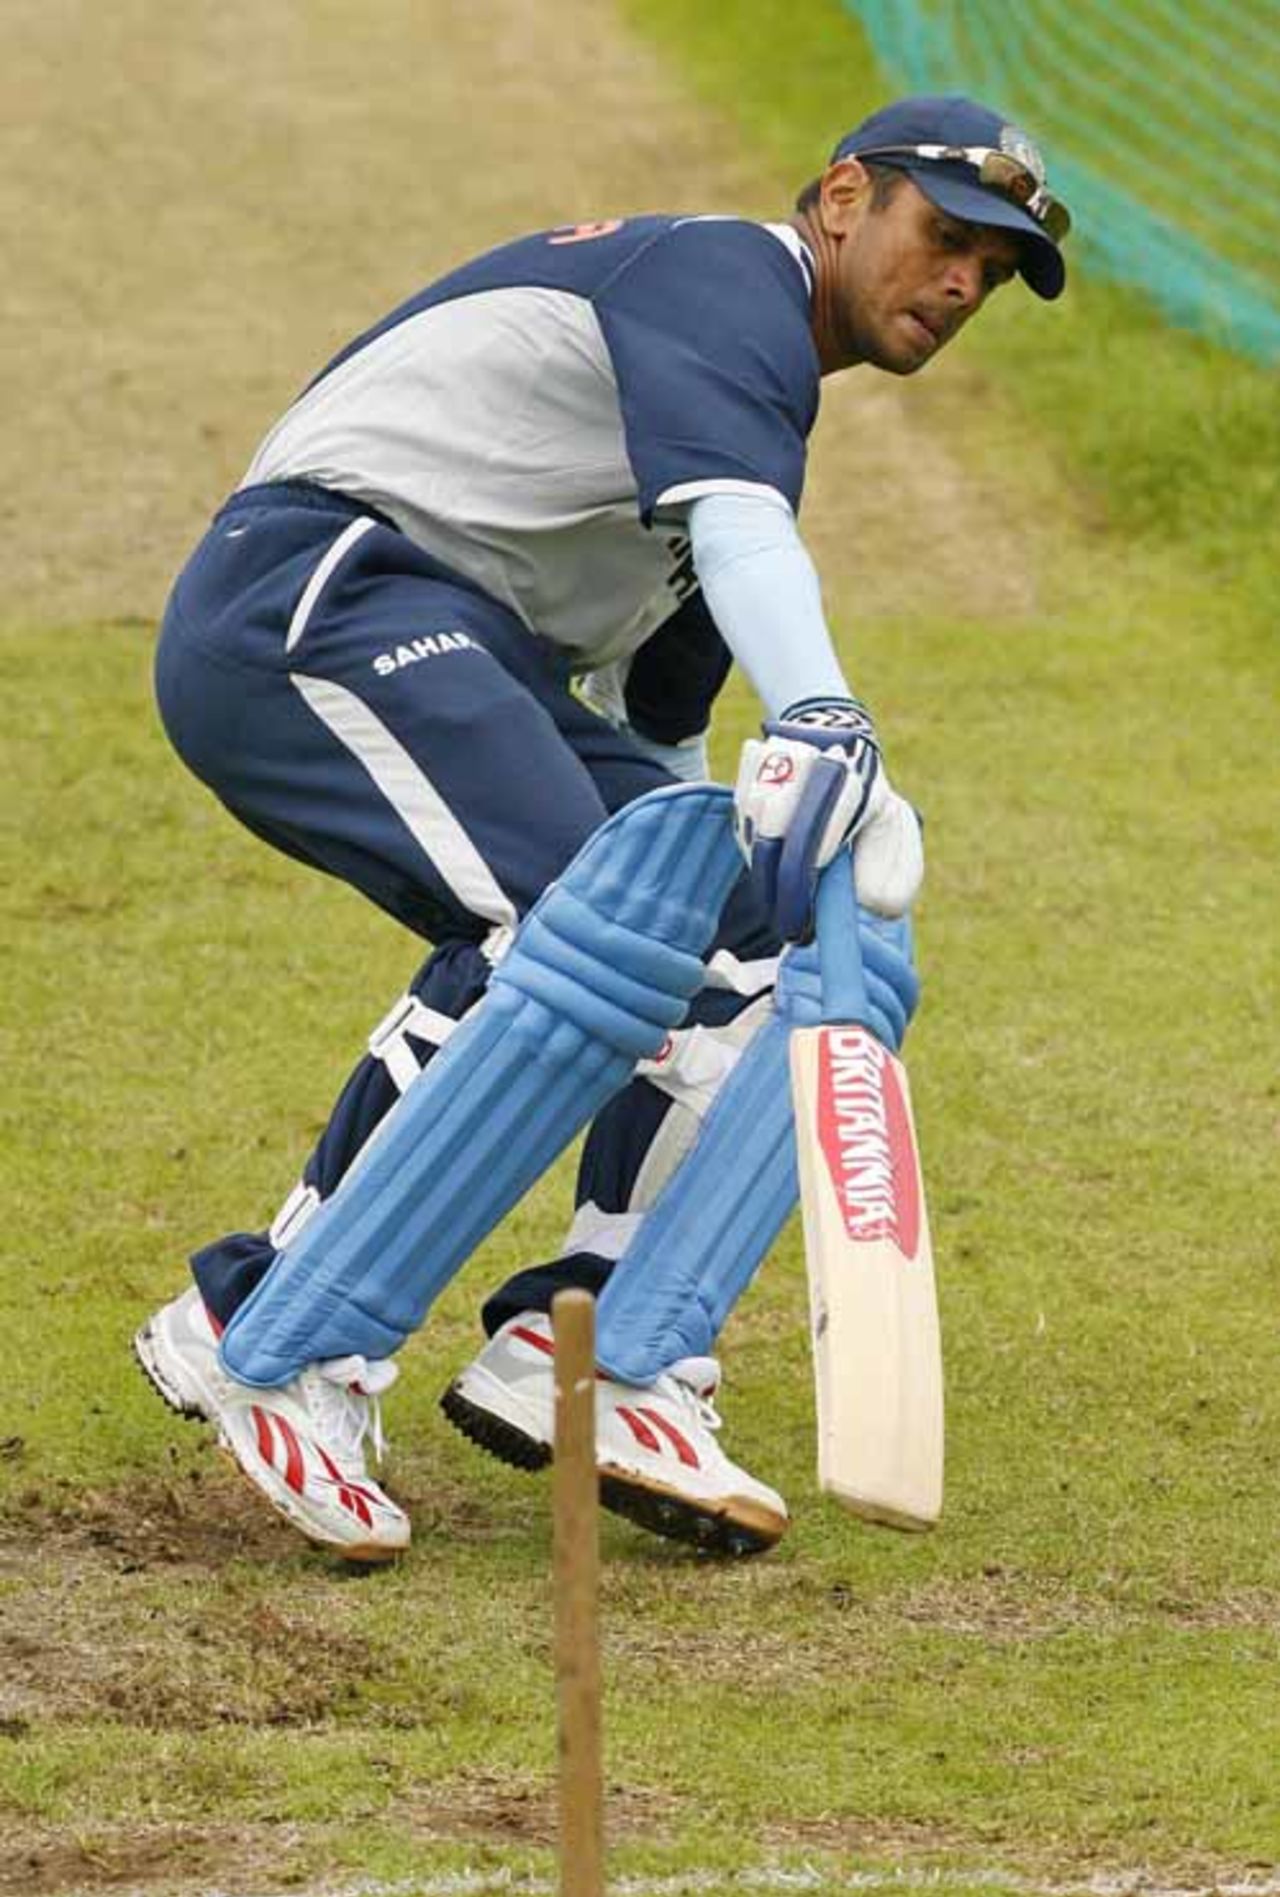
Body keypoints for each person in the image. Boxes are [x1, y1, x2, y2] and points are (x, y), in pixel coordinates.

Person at [134, 95, 1069, 1562]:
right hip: (315, 593)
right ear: (841, 198)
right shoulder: (721, 285)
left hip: (446, 636)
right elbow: (749, 546)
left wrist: (762, 858)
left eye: (994, 270)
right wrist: (822, 716)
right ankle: (272, 1329)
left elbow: (661, 756)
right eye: (944, 237)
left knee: (762, 928)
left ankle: (600, 1348)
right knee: (574, 920)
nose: (962, 284)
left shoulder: (747, 419)